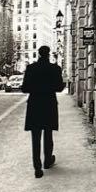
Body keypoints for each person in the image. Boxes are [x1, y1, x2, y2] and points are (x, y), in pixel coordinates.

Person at [21, 45, 65, 178]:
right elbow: (59, 88)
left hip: (34, 105)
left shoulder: (31, 68)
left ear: (39, 54)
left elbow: (24, 88)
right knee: (48, 133)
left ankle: (37, 168)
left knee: (35, 137)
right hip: (49, 104)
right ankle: (47, 160)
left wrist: (36, 88)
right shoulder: (55, 69)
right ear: (49, 54)